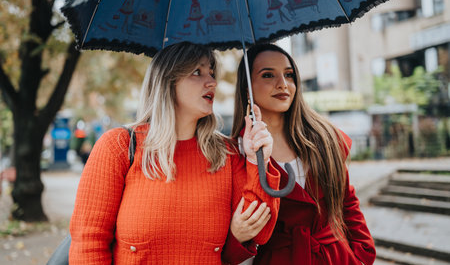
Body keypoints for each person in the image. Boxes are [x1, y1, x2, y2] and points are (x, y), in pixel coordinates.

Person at [69, 42, 281, 264]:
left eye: (211, 72)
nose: (212, 82)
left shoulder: (226, 153)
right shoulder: (119, 146)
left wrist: (257, 158)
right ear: (167, 81)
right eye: (197, 72)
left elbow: (259, 232)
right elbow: (89, 242)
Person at [231, 43, 376, 265]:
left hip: (336, 258)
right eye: (268, 75)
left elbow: (347, 202)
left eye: (289, 75)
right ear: (247, 87)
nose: (283, 84)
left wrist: (362, 253)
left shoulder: (323, 138)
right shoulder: (237, 153)